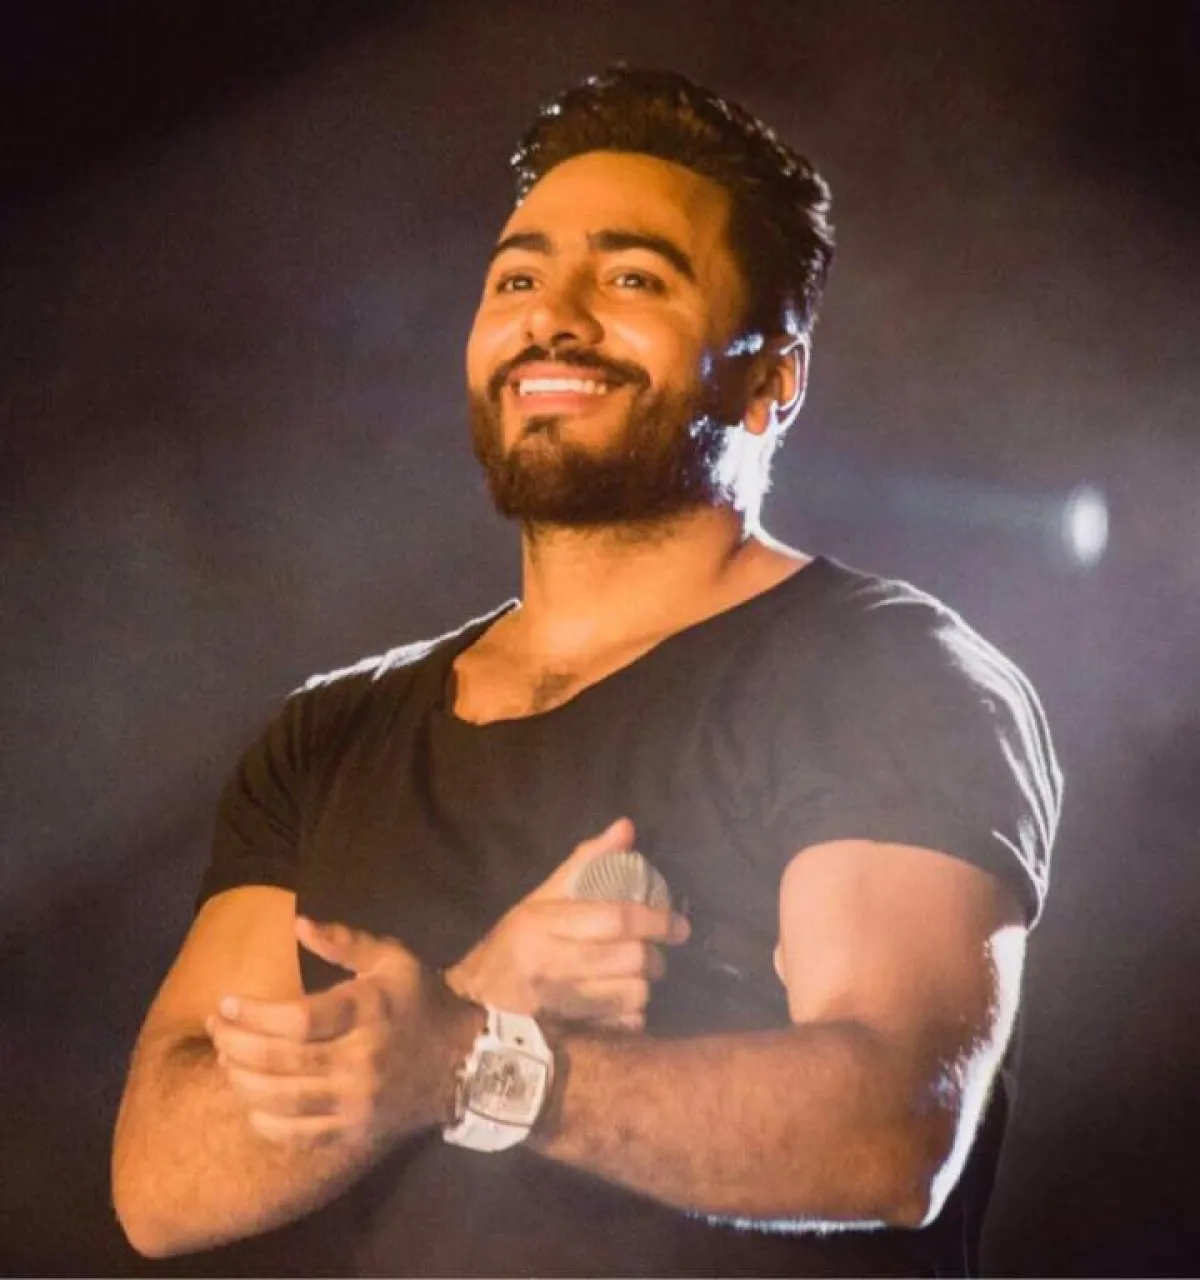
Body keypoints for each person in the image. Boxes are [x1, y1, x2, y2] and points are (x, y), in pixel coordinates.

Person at [111, 66, 1061, 1276]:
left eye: (632, 278)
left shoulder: (882, 669)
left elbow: (893, 1129)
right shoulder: (329, 734)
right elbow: (159, 1178)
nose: (552, 316)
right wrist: (473, 1002)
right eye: (517, 278)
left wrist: (478, 1062)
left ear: (771, 378)